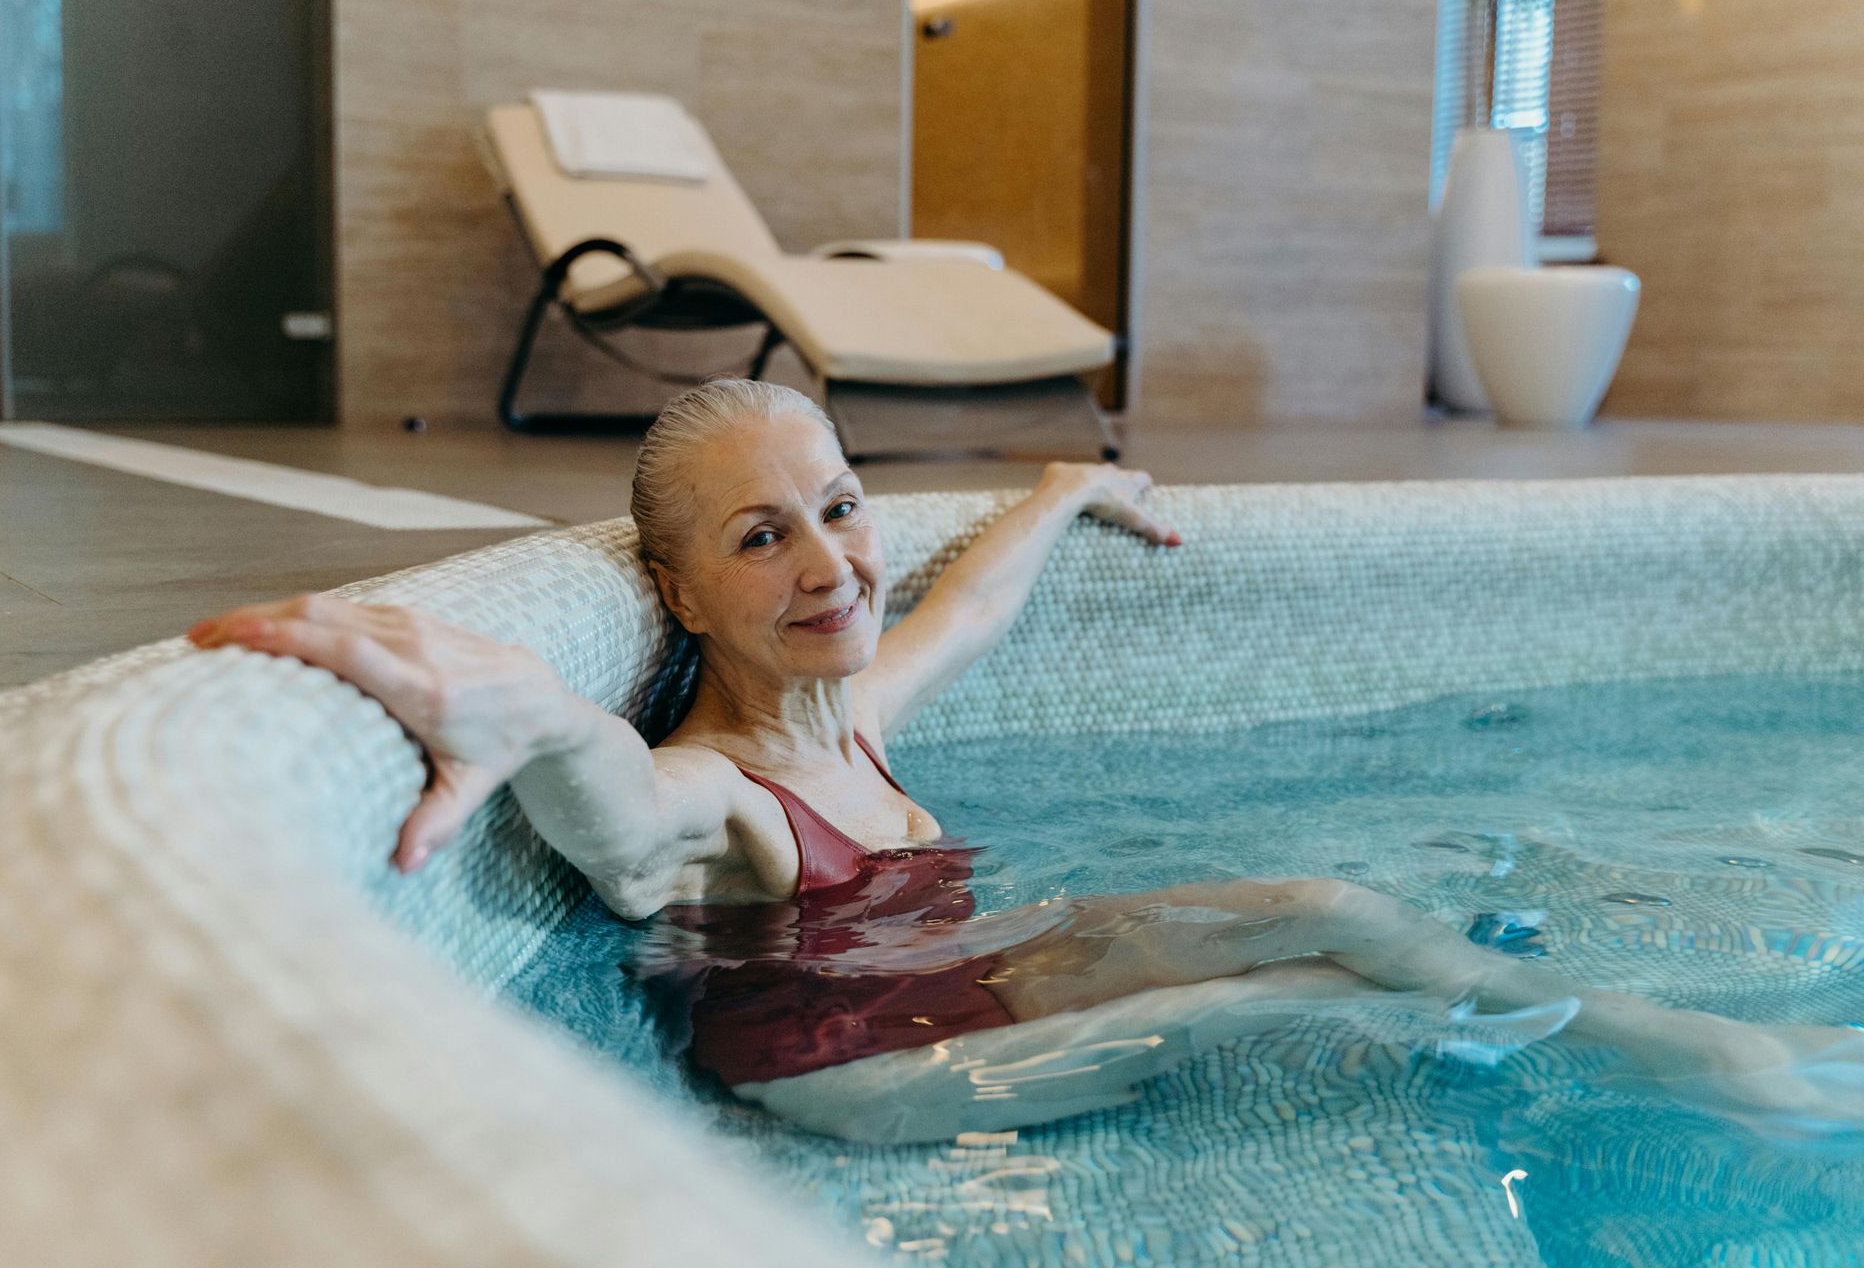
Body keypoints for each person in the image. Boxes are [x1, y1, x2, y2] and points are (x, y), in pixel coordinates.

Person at [189, 378, 1864, 1138]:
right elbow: (625, 833)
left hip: (955, 989)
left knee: (1318, 898)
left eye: (836, 511)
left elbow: (967, 616)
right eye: (761, 542)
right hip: (852, 1081)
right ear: (682, 593)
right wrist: (543, 717)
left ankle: (1668, 1029)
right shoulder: (727, 785)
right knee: (1297, 995)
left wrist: (1064, 491)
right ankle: (1705, 1080)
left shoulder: (850, 724)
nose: (831, 565)